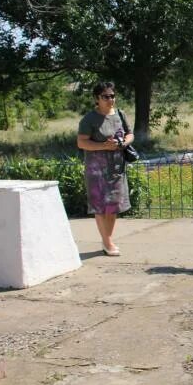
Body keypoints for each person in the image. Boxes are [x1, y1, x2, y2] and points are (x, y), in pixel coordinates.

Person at [77, 82, 134, 256]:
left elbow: (130, 134)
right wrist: (103, 146)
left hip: (116, 167)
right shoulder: (89, 119)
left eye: (112, 96)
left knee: (113, 206)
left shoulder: (120, 114)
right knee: (100, 206)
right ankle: (108, 242)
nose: (110, 99)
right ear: (97, 99)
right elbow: (82, 142)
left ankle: (106, 239)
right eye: (105, 96)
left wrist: (123, 143)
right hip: (96, 170)